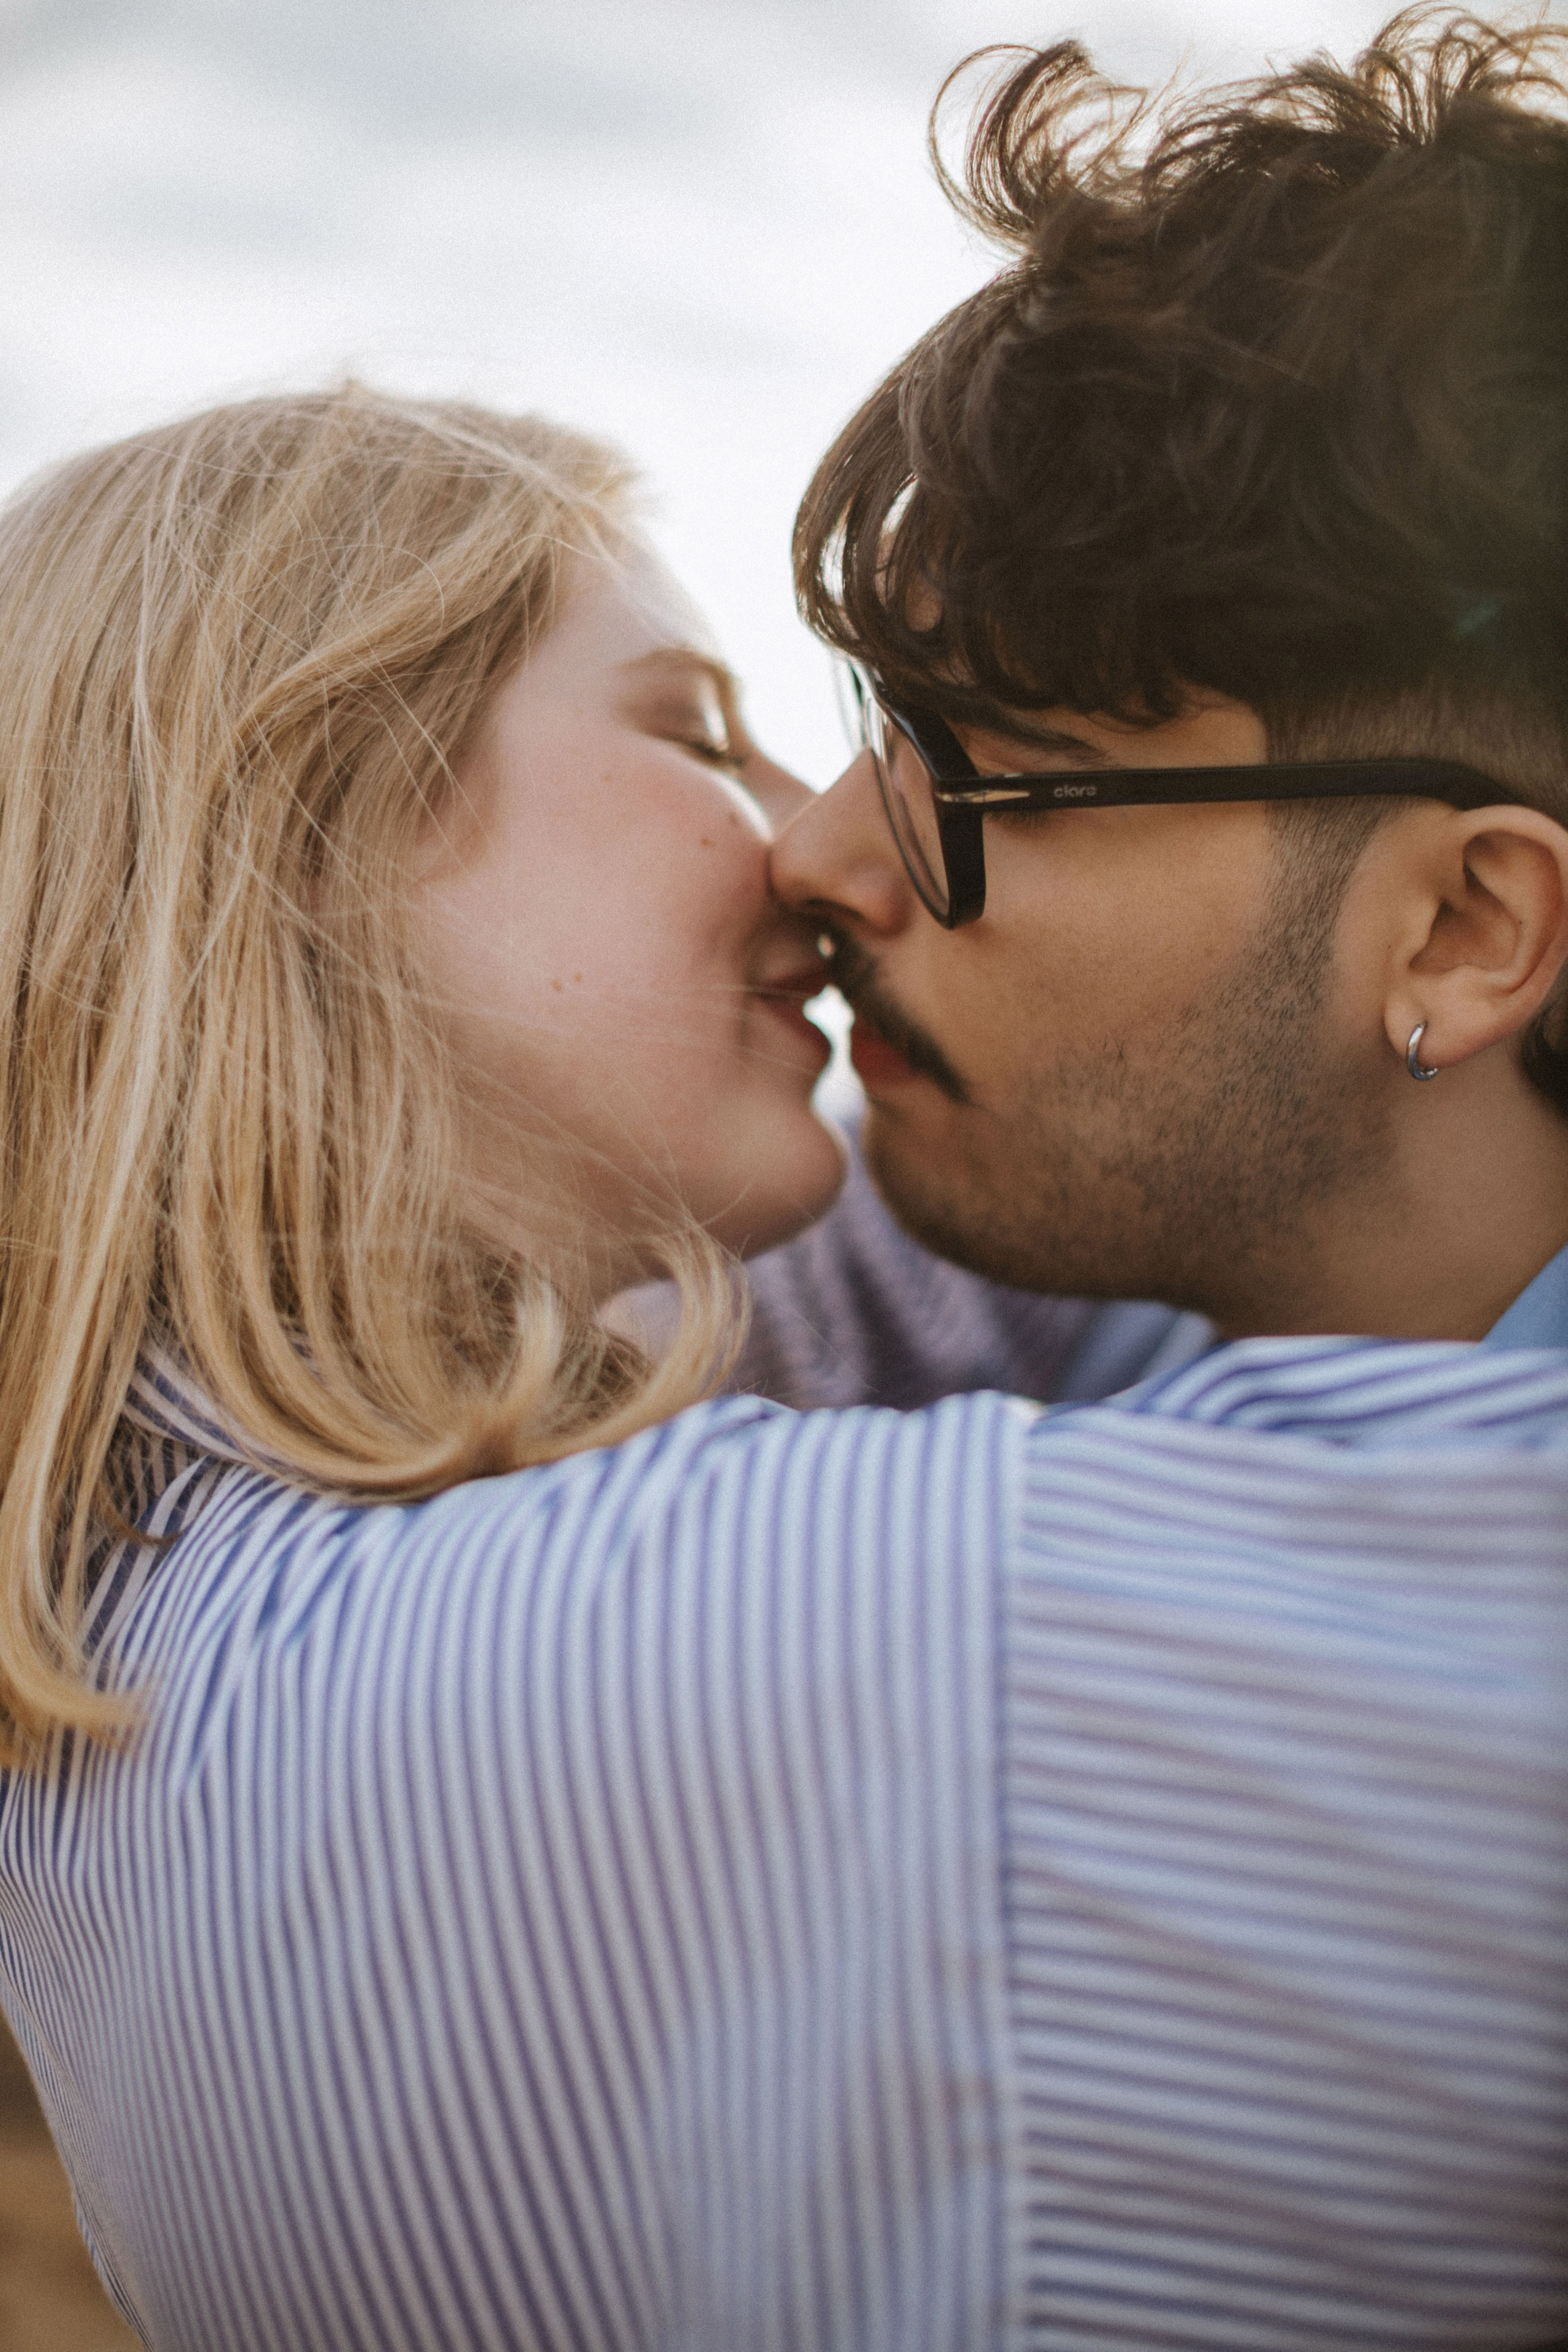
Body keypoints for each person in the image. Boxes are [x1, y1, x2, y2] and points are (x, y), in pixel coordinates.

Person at [0, 34, 1562, 2352]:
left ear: (1462, 935)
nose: (815, 850)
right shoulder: (843, 1650)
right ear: (291, 844)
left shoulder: (180, 1515)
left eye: (947, 770)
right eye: (694, 723)